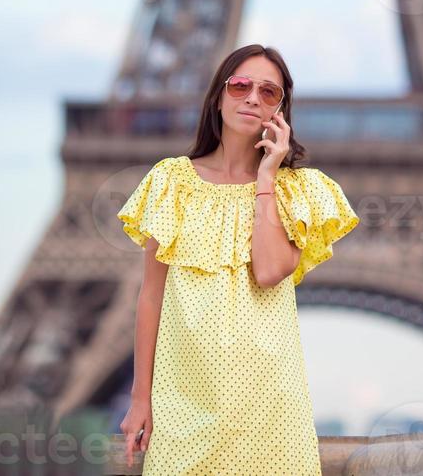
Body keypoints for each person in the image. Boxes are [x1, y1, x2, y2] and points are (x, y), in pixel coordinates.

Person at [116, 42, 360, 475]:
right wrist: (141, 399)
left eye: (269, 92)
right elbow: (151, 296)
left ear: (281, 110)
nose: (252, 97)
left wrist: (266, 176)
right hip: (183, 401)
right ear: (218, 96)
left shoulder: (295, 190)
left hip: (268, 406)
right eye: (240, 85)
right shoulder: (170, 180)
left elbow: (268, 272)